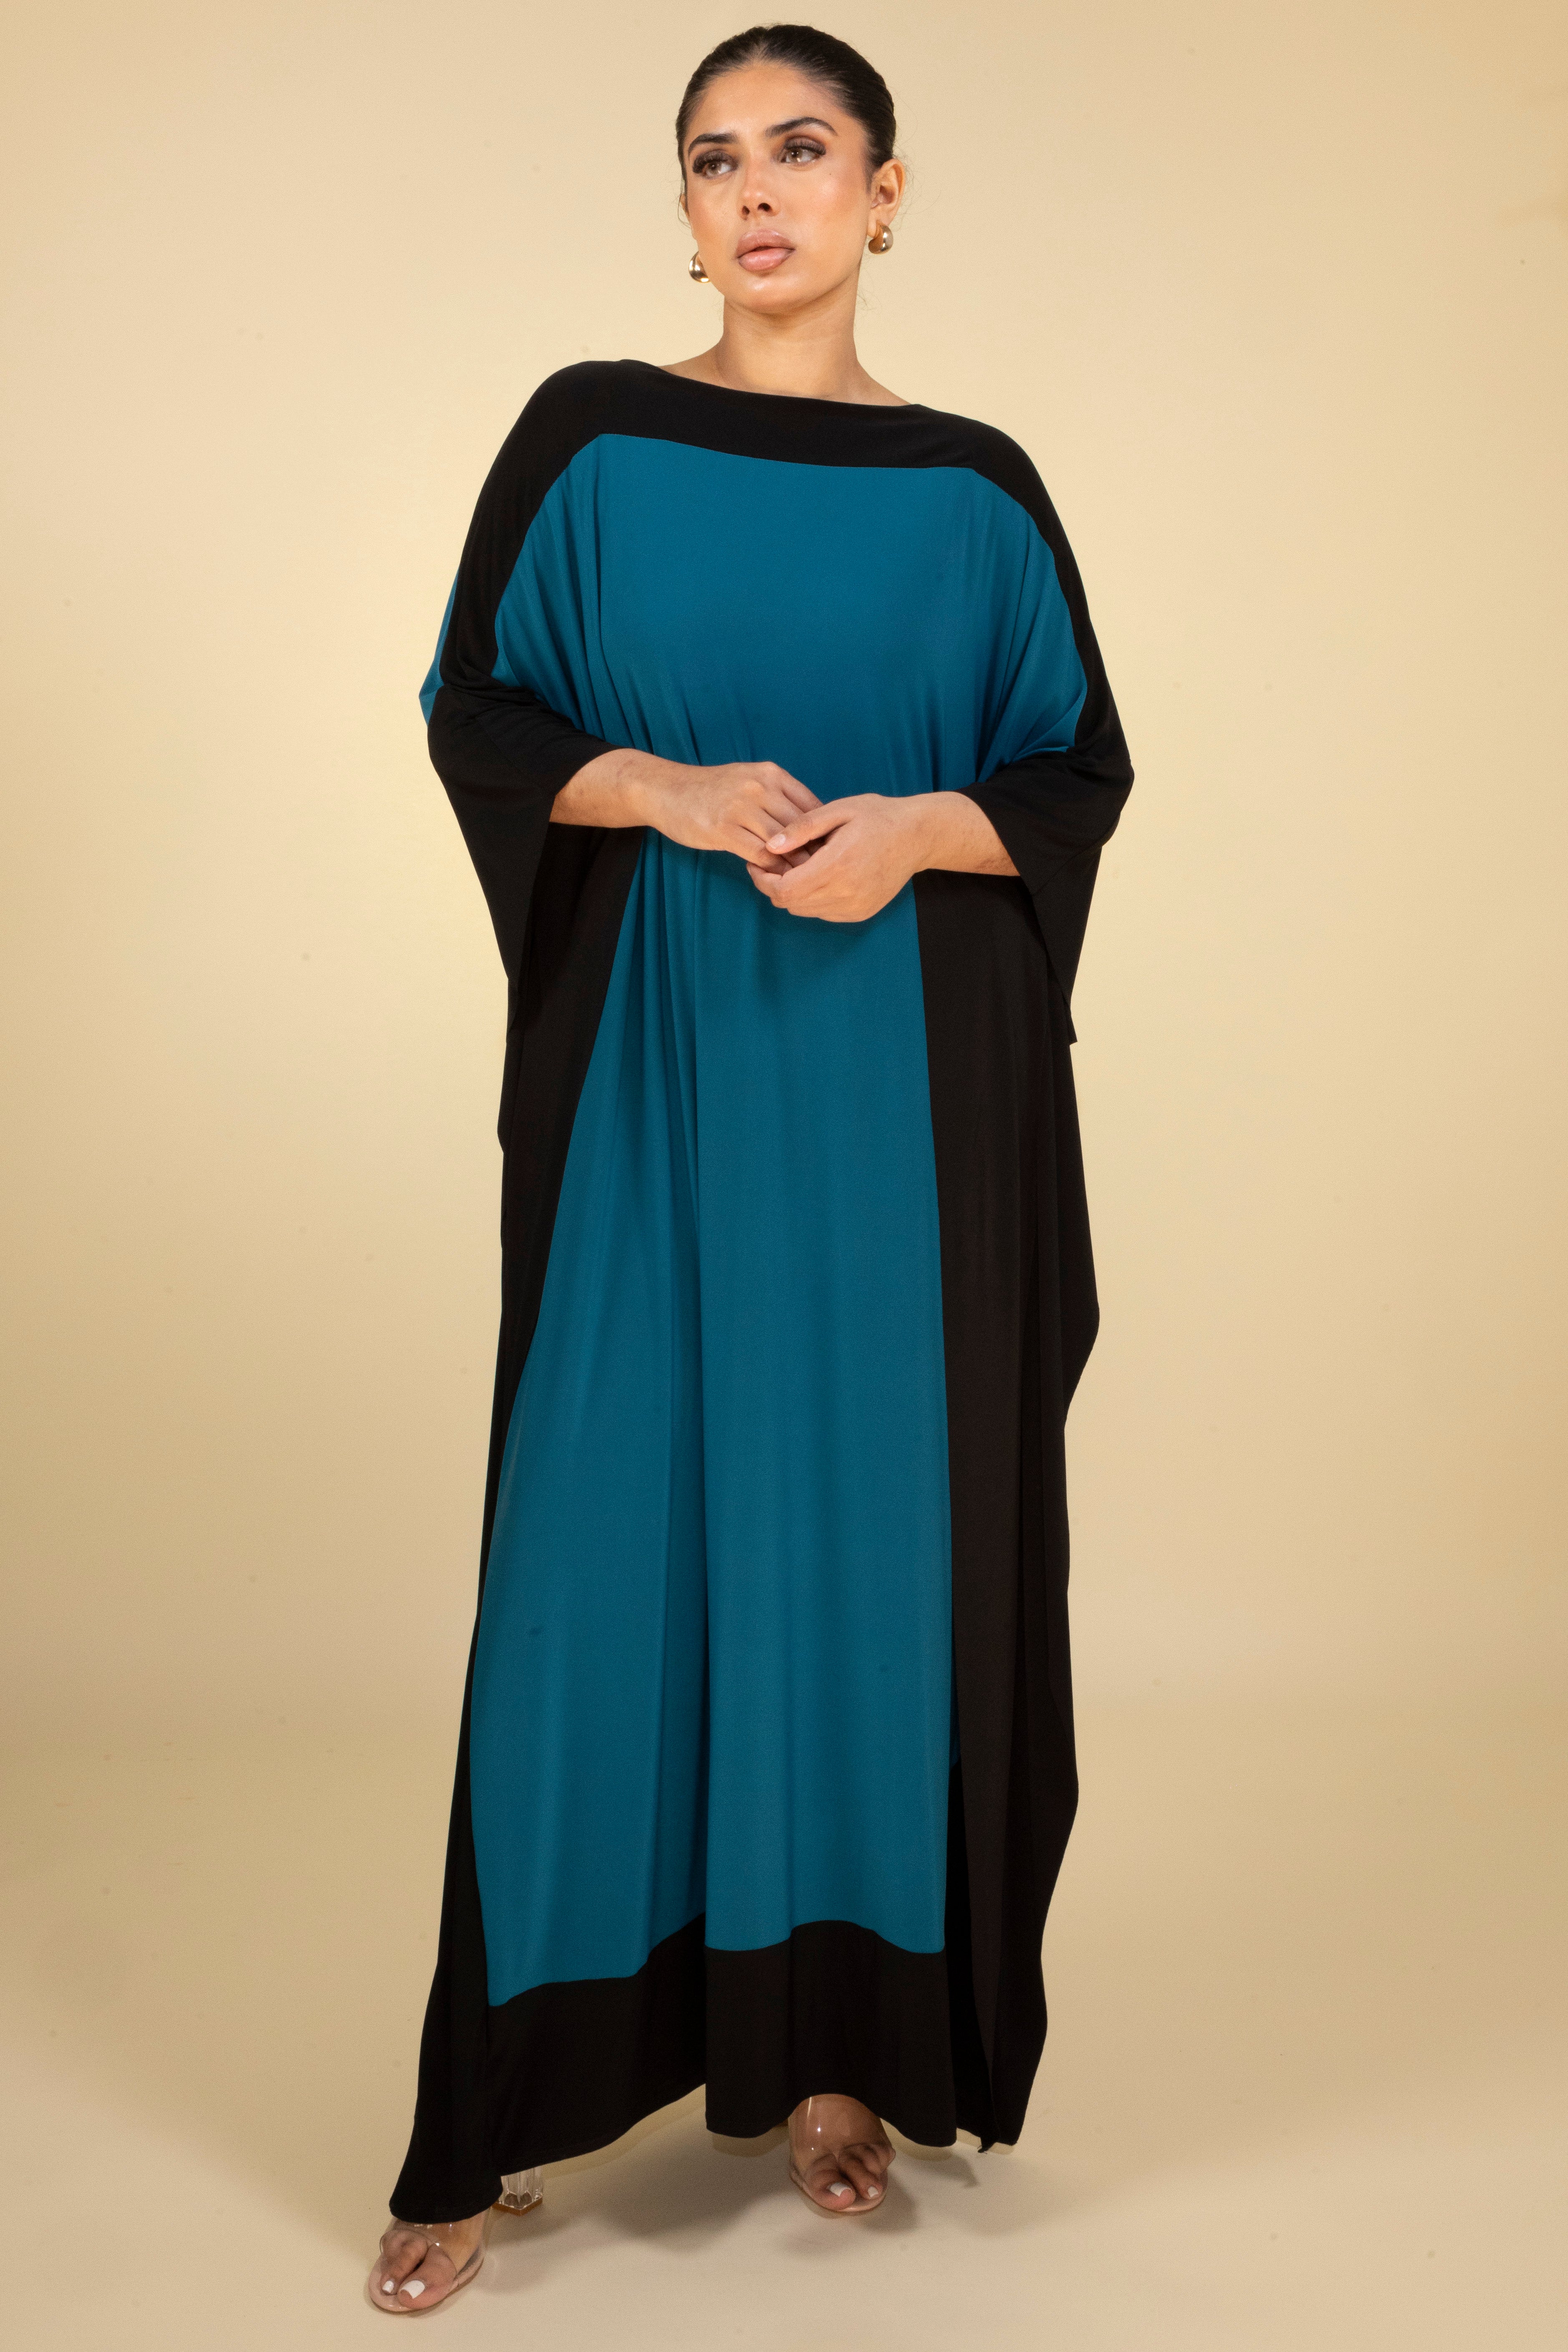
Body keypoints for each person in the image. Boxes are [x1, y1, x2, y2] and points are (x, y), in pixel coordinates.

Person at [370, 20, 1132, 2313]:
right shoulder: (590, 439)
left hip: (906, 1107)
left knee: (875, 1557)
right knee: (597, 1551)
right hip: (657, 1080)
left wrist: (921, 831)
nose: (762, 191)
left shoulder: (977, 488)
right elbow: (478, 711)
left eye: (806, 150)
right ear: (686, 209)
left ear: (888, 190)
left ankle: (837, 2050)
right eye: (719, 160)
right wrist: (668, 789)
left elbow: (1072, 775)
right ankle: (495, 2111)